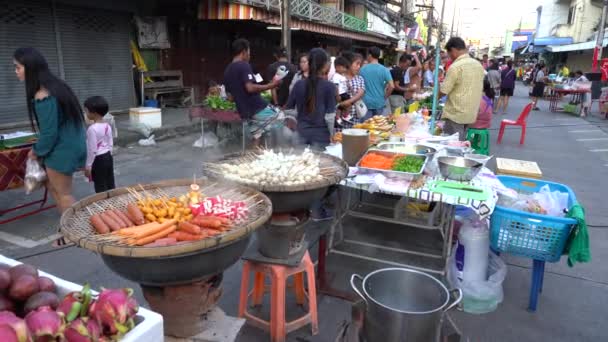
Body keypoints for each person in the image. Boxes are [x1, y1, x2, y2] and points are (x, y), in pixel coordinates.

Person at [13, 47, 86, 213]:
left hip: (61, 149)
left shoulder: (42, 95)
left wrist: (36, 151)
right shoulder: (56, 86)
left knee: (64, 195)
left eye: (18, 67)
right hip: (71, 145)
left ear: (30, 68)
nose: (15, 71)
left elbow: (49, 134)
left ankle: (77, 234)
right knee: (53, 188)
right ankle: (66, 232)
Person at [223, 39, 286, 145]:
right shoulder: (244, 65)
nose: (249, 55)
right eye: (249, 52)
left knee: (257, 134)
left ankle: (253, 157)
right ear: (244, 52)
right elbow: (250, 88)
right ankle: (276, 151)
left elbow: (230, 97)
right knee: (280, 117)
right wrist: (272, 85)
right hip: (258, 108)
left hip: (245, 112)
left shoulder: (227, 70)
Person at [439, 37, 485, 140]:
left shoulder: (456, 67)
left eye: (449, 54)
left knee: (452, 145)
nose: (450, 57)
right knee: (461, 141)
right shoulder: (478, 65)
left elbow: (443, 91)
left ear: (454, 50)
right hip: (471, 113)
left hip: (456, 114)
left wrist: (436, 96)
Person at [83, 96, 115, 193]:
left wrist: (88, 166)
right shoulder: (107, 126)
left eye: (86, 111)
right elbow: (110, 143)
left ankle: (104, 206)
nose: (85, 113)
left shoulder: (92, 129)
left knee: (100, 185)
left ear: (94, 113)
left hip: (98, 160)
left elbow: (92, 149)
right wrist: (109, 154)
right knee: (110, 182)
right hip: (108, 156)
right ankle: (113, 202)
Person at [359, 46, 394, 119]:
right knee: (377, 125)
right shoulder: (384, 70)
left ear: (370, 55)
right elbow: (392, 86)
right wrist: (385, 96)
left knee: (365, 127)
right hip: (379, 102)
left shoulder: (362, 69)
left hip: (366, 102)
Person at [338, 53, 366, 129]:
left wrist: (348, 102)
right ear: (349, 64)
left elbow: (361, 92)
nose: (359, 67)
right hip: (340, 117)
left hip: (355, 117)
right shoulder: (340, 77)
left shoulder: (360, 78)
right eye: (357, 64)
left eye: (360, 65)